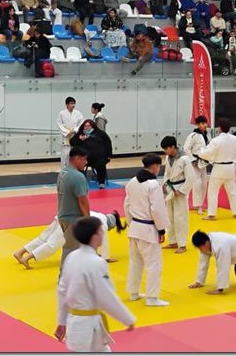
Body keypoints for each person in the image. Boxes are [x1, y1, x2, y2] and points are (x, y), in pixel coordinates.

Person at [55, 216, 136, 352]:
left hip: (75, 322)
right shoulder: (96, 263)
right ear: (93, 236)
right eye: (100, 231)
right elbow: (106, 296)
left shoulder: (71, 257)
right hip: (88, 326)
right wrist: (127, 319)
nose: (103, 233)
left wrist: (61, 321)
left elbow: (62, 291)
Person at [124, 154, 170, 307]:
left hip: (135, 227)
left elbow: (127, 205)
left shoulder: (132, 182)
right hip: (148, 229)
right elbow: (157, 209)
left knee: (135, 262)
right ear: (155, 166)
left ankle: (133, 293)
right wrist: (161, 230)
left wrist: (131, 223)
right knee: (154, 264)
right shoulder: (153, 185)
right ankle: (152, 297)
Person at [13, 211, 125, 269]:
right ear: (111, 225)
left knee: (43, 238)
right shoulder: (102, 223)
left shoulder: (97, 215)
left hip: (62, 216)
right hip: (69, 222)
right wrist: (106, 257)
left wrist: (94, 254)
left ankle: (20, 252)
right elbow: (104, 242)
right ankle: (26, 258)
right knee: (52, 245)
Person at [198, 118, 236, 220]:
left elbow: (207, 153)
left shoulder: (216, 140)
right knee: (232, 191)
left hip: (219, 167)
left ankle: (211, 214)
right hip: (230, 167)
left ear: (220, 128)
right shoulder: (235, 139)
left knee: (213, 192)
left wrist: (200, 151)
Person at [160, 136, 196, 254]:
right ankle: (173, 241)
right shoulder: (168, 158)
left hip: (180, 191)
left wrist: (181, 191)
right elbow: (167, 173)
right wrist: (164, 185)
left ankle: (182, 244)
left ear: (173, 147)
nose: (165, 151)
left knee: (180, 218)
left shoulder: (184, 159)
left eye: (166, 149)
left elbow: (191, 177)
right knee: (169, 217)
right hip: (170, 190)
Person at [57, 147, 90, 268]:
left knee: (75, 250)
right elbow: (82, 200)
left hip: (63, 215)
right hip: (73, 218)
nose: (86, 162)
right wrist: (88, 219)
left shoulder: (63, 173)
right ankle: (64, 276)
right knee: (71, 250)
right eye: (84, 159)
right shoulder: (77, 177)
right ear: (77, 159)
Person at [70, 119, 112, 188]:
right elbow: (72, 142)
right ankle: (80, 182)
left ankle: (101, 183)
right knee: (78, 163)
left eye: (89, 126)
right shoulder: (80, 134)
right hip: (85, 158)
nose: (87, 127)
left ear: (92, 126)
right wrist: (79, 139)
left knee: (101, 164)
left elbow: (108, 143)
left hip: (98, 157)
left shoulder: (100, 133)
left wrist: (109, 155)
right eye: (85, 126)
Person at [183, 115, 209, 216]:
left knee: (204, 184)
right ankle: (198, 206)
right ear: (197, 124)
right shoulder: (193, 135)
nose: (205, 125)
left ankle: (200, 204)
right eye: (202, 123)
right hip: (195, 162)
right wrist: (192, 160)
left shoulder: (206, 135)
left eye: (205, 123)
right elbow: (186, 148)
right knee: (197, 183)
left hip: (204, 161)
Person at [56, 96, 84, 168]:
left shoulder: (78, 113)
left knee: (75, 155)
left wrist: (75, 130)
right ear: (67, 104)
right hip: (66, 136)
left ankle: (74, 170)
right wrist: (66, 132)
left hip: (75, 135)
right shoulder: (62, 113)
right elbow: (59, 124)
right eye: (71, 103)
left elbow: (81, 123)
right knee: (65, 155)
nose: (73, 105)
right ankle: (64, 171)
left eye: (74, 103)